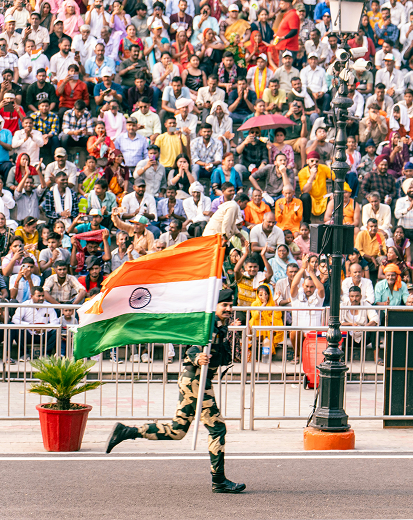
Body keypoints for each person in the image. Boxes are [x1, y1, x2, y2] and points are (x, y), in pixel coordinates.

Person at [106, 287, 246, 493]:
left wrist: (232, 333)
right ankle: (219, 481)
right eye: (224, 305)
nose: (228, 309)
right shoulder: (207, 325)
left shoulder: (220, 326)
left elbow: (230, 356)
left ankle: (127, 432)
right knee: (217, 428)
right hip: (196, 381)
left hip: (196, 381)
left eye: (230, 305)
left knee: (177, 431)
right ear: (214, 306)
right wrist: (197, 357)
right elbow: (192, 347)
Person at [290, 253, 325, 363]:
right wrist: (303, 268)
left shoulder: (318, 297)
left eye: (311, 287)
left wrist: (310, 272)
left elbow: (321, 288)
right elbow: (293, 285)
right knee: (294, 332)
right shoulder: (297, 295)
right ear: (303, 286)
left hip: (314, 332)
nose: (309, 289)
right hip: (299, 332)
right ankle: (297, 356)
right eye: (307, 286)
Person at [12, 286, 59, 357]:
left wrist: (45, 328)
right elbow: (15, 319)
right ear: (31, 296)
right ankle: (24, 354)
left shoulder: (48, 306)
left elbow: (55, 322)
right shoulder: (25, 305)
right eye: (38, 296)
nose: (41, 298)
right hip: (28, 334)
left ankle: (46, 355)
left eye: (43, 296)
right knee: (17, 330)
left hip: (44, 334)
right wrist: (29, 326)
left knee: (56, 331)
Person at [340, 286, 379, 362]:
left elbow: (375, 319)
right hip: (348, 338)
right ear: (349, 296)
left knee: (375, 330)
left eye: (357, 296)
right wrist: (351, 324)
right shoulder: (343, 305)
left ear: (361, 296)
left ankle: (377, 357)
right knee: (340, 331)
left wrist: (363, 328)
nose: (354, 299)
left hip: (363, 336)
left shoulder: (366, 304)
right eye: (352, 296)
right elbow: (339, 321)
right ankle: (341, 357)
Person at [249, 282, 283, 357]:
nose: (263, 297)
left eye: (265, 294)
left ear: (269, 295)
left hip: (268, 326)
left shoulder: (272, 303)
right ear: (257, 295)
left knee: (277, 323)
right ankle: (255, 355)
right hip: (257, 326)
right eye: (260, 295)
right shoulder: (254, 304)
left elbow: (278, 316)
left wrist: (275, 302)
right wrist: (263, 305)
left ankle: (268, 353)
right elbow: (255, 316)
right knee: (254, 323)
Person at [298, 150, 332, 223]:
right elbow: (305, 191)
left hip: (323, 198)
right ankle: (306, 222)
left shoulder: (324, 168)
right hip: (311, 199)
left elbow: (335, 177)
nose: (314, 163)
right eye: (312, 161)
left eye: (316, 161)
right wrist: (312, 176)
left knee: (334, 197)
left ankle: (328, 221)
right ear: (307, 161)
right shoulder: (302, 172)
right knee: (305, 196)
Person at [355, 218, 387, 285]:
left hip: (375, 260)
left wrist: (381, 250)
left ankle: (380, 278)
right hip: (363, 258)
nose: (373, 228)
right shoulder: (361, 234)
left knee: (383, 259)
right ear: (367, 227)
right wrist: (371, 258)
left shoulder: (380, 235)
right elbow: (358, 250)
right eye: (371, 226)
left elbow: (383, 253)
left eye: (375, 226)